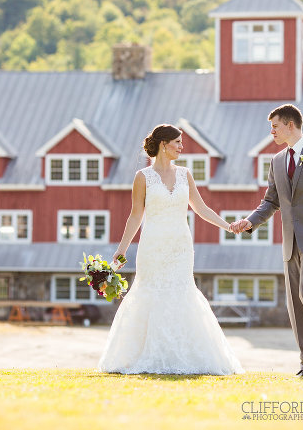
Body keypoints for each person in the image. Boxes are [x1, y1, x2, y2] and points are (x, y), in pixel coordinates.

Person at [98, 124, 243, 375]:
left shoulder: (185, 174)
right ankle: (145, 355)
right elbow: (135, 216)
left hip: (180, 247)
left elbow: (201, 208)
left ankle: (186, 355)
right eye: (177, 142)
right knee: (150, 293)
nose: (181, 146)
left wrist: (227, 226)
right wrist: (121, 251)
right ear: (163, 145)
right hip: (152, 247)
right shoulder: (142, 177)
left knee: (181, 291)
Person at [230, 104, 303, 377]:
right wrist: (250, 221)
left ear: (290, 125)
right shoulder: (277, 161)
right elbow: (271, 201)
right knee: (295, 300)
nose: (272, 131)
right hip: (290, 243)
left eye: (275, 126)